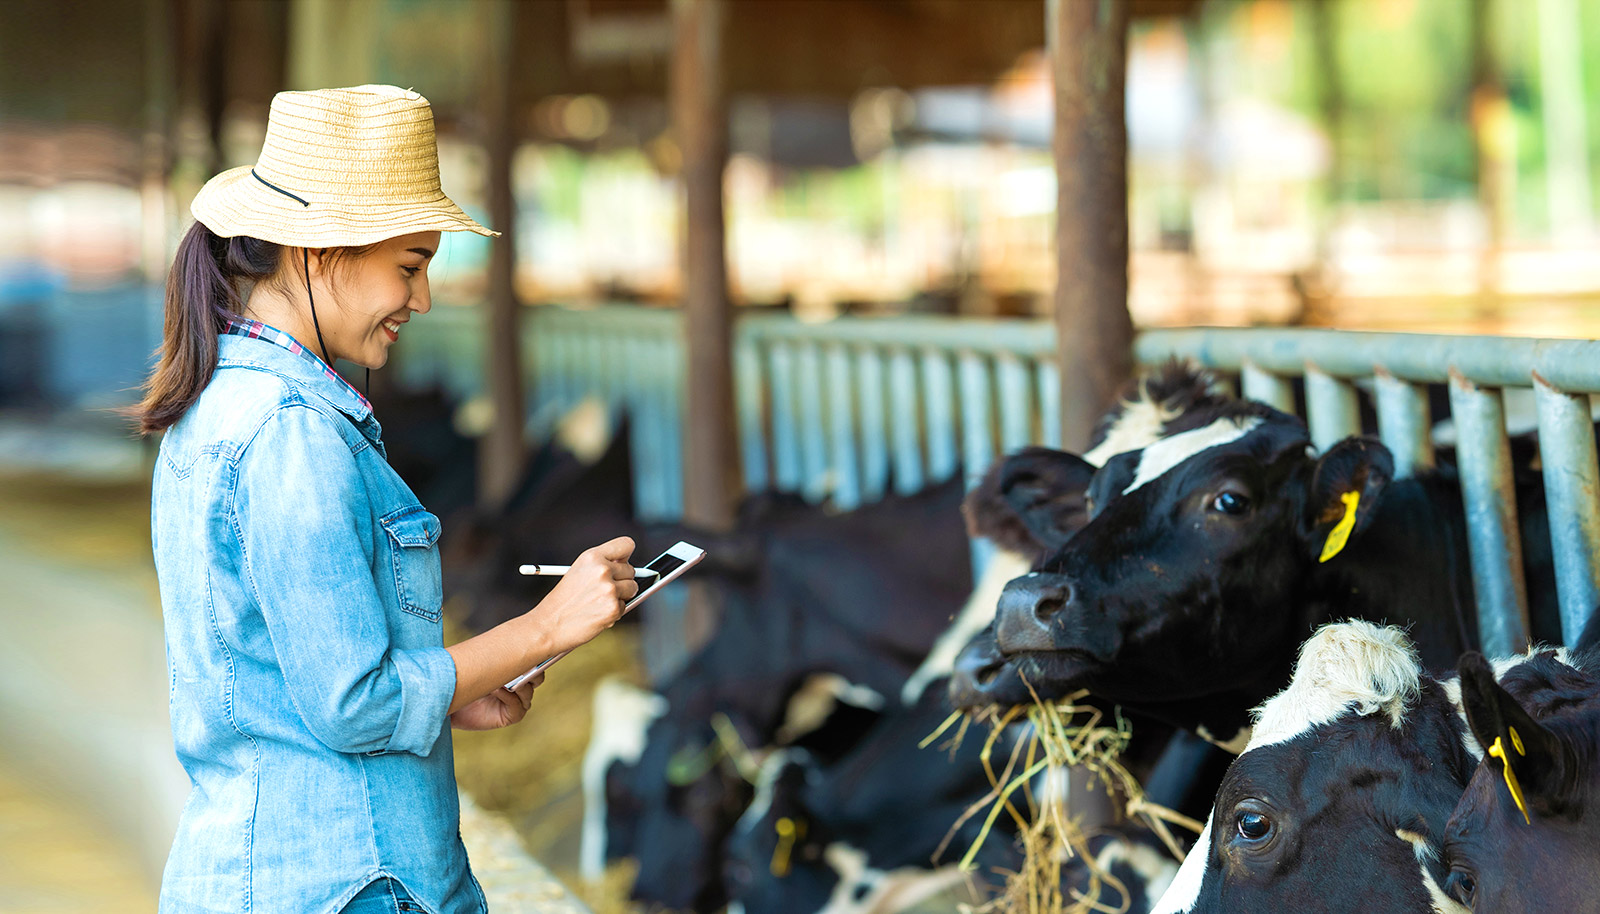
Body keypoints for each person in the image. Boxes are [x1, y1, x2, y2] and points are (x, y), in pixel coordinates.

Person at [137, 85, 636, 914]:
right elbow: (353, 703)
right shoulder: (291, 432)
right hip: (351, 883)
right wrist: (548, 625)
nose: (423, 299)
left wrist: (458, 686)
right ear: (320, 250)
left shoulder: (218, 404)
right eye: (410, 267)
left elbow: (291, 674)